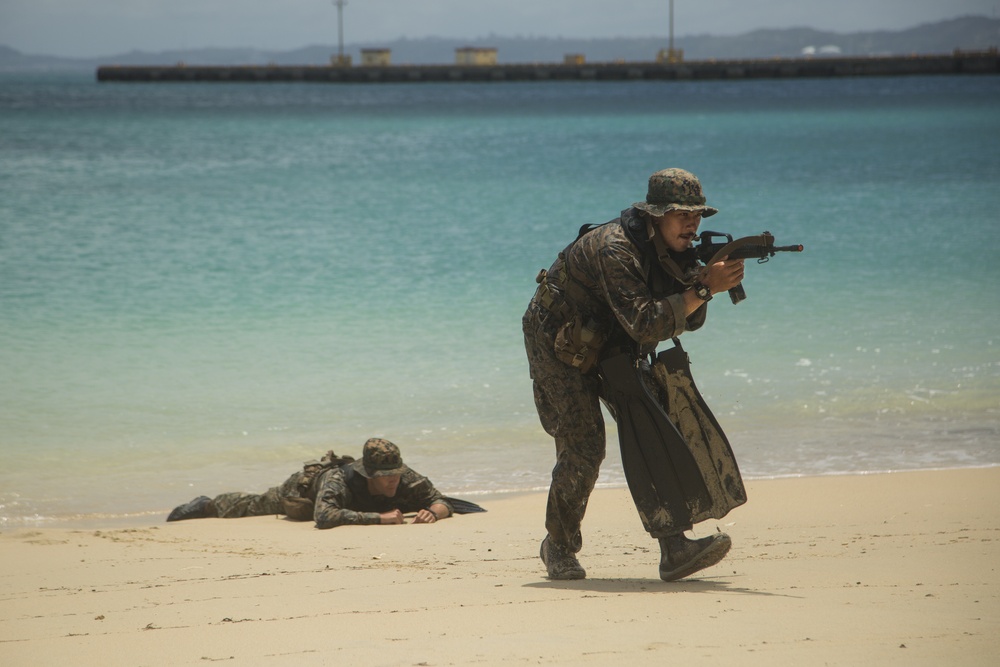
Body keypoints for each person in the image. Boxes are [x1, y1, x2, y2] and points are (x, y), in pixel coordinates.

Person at [522, 168, 746, 582]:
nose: (693, 223)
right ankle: (558, 545)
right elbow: (646, 324)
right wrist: (702, 290)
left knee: (654, 427)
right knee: (585, 446)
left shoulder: (675, 250)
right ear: (656, 215)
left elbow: (684, 323)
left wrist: (702, 281)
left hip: (612, 338)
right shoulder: (615, 249)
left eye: (697, 215)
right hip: (557, 342)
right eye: (682, 214)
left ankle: (675, 548)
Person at [166, 438, 456, 527]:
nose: (393, 481)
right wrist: (378, 518)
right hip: (302, 493)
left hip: (338, 502)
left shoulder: (403, 475)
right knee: (250, 505)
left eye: (394, 475)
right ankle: (205, 505)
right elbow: (324, 515)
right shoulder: (337, 480)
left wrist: (434, 512)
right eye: (384, 477)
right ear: (369, 474)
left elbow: (441, 499)